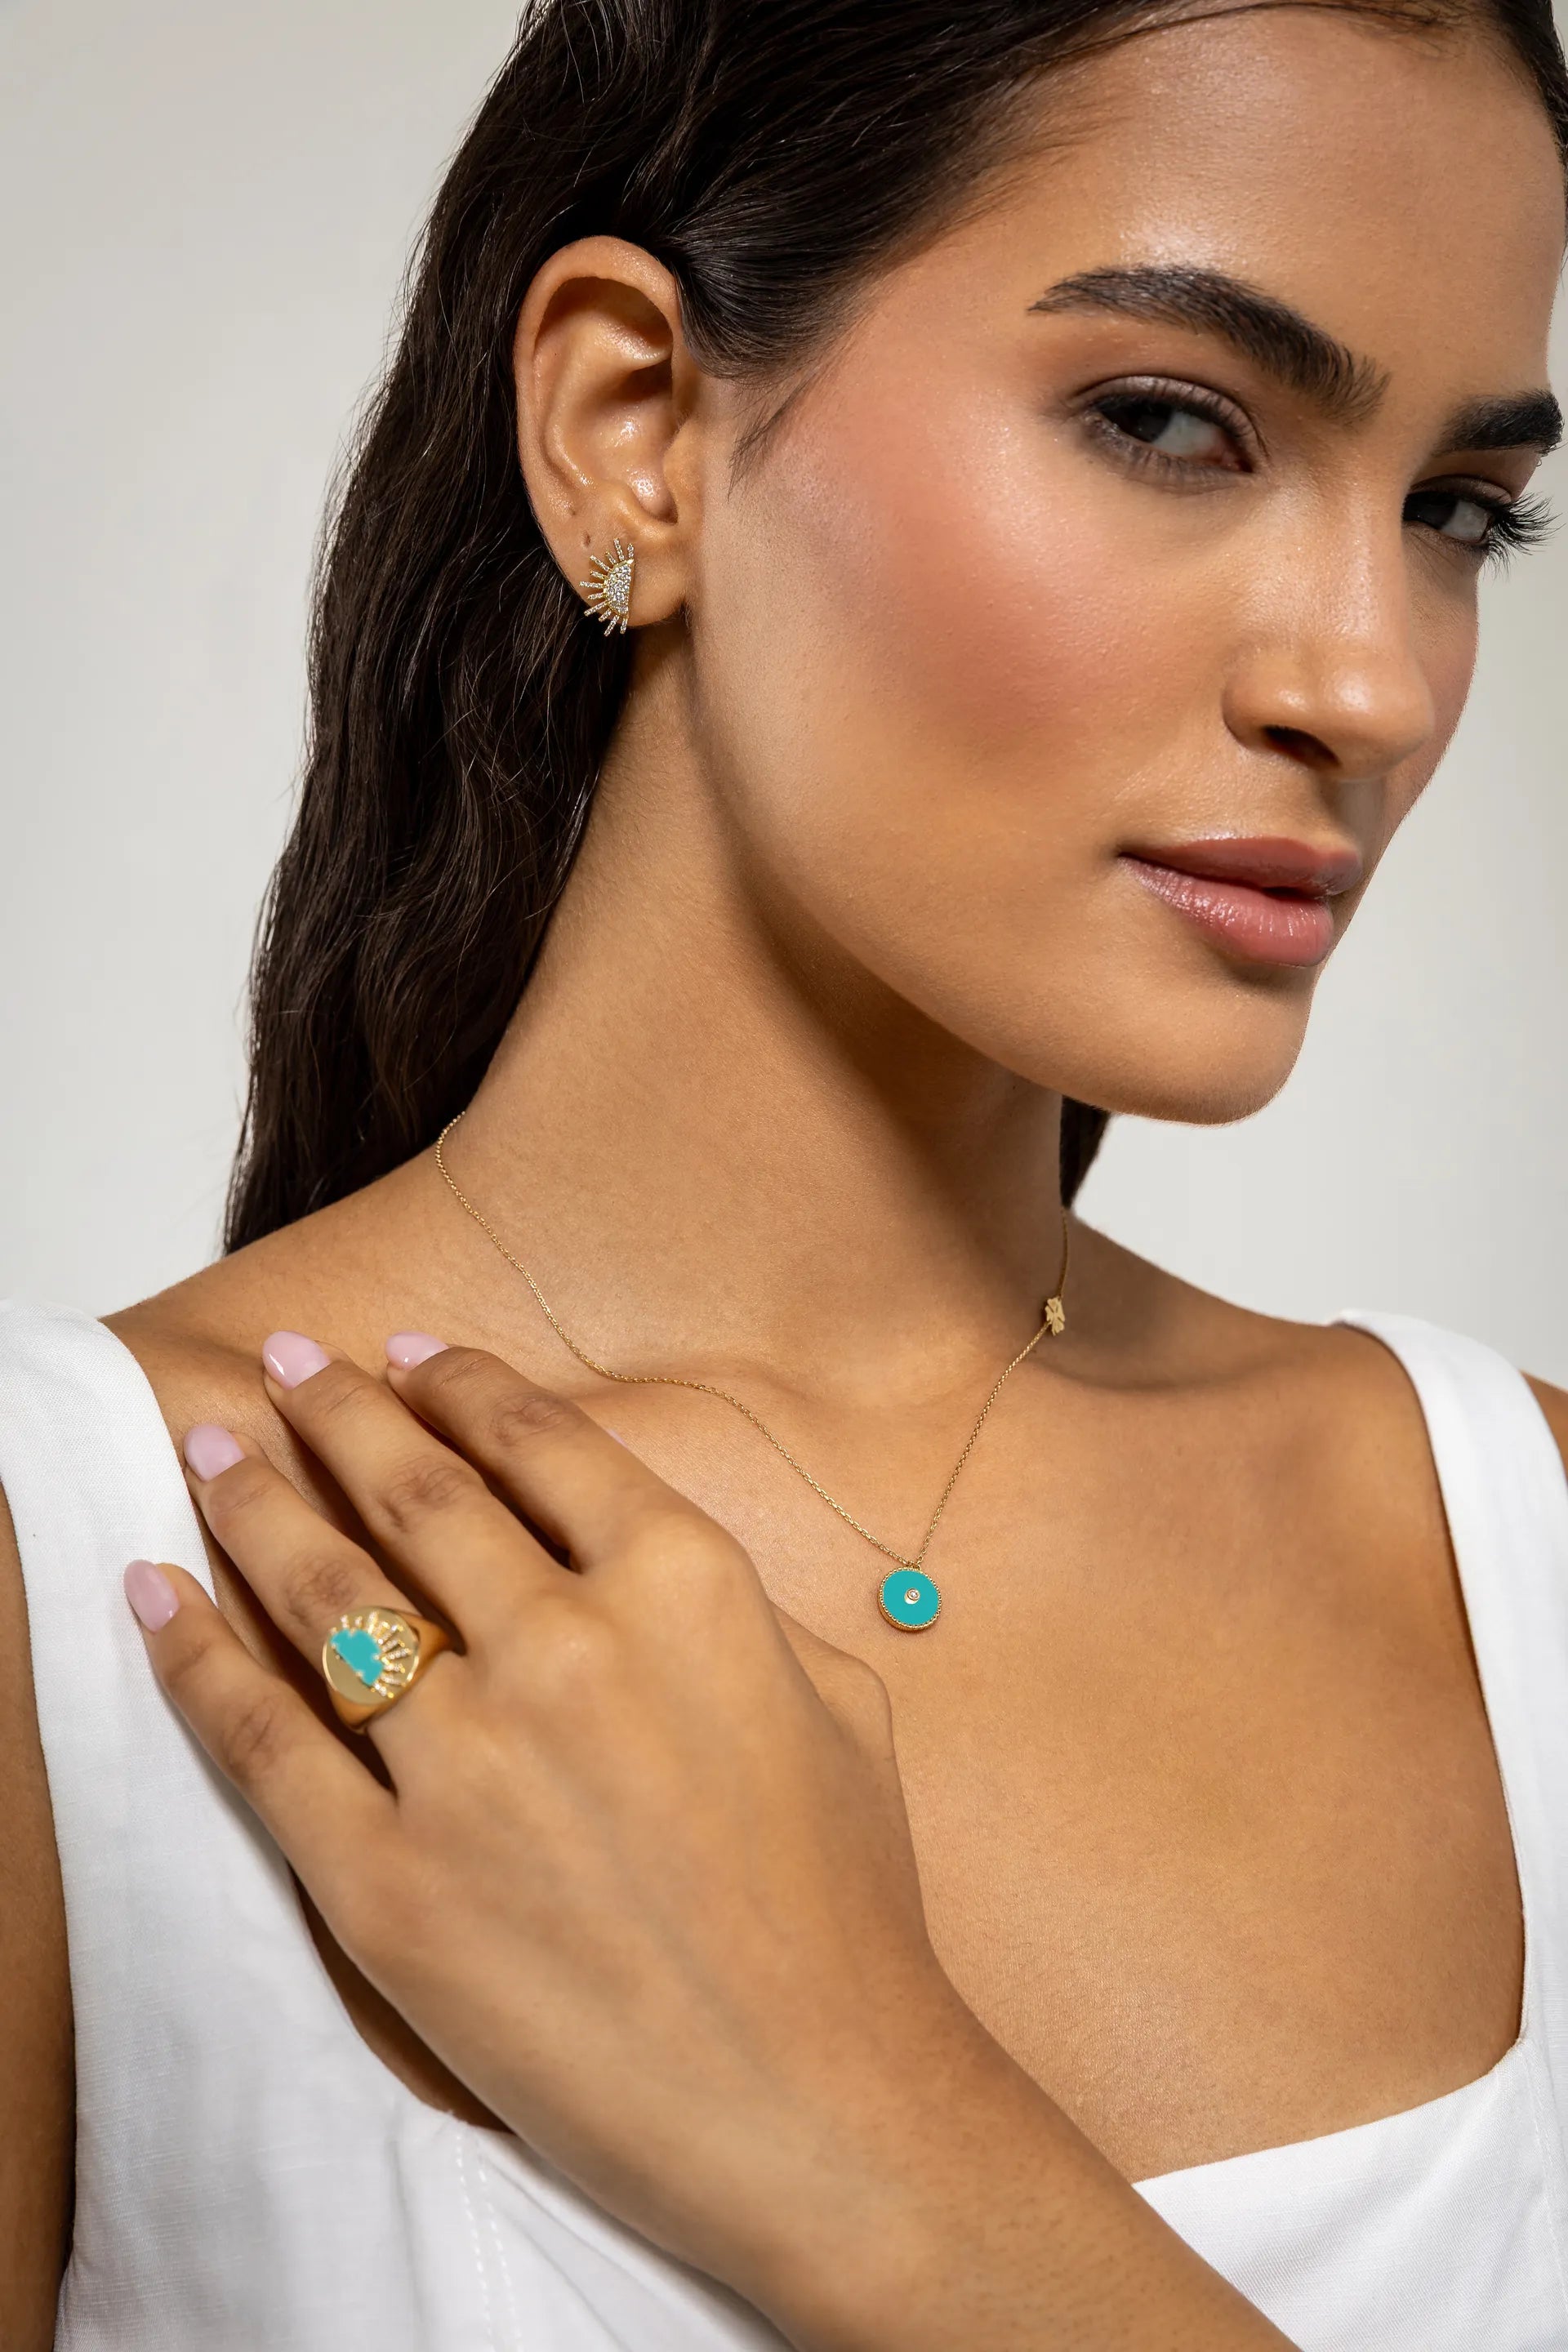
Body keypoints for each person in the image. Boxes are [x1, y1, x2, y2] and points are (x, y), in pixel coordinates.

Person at [2, 0, 1566, 2342]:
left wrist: (874, 2139)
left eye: (1457, 511)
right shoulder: (73, 1609)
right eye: (1171, 423)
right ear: (634, 429)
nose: (1375, 684)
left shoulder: (1526, 1553)